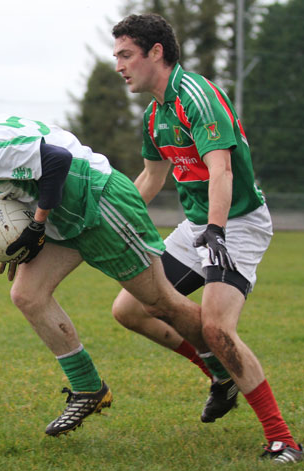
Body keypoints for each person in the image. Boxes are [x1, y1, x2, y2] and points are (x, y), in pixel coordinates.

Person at [0, 85, 223, 438]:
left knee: (160, 303)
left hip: (100, 200)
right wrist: (19, 241)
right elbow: (30, 177)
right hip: (69, 210)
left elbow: (57, 161)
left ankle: (225, 365)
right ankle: (88, 388)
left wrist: (35, 226)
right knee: (27, 295)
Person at [111, 13, 302, 463]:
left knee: (217, 327)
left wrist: (216, 230)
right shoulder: (154, 115)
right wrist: (111, 219)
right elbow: (151, 178)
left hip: (237, 223)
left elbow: (222, 170)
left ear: (155, 52)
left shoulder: (196, 95)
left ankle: (282, 438)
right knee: (130, 309)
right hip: (199, 224)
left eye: (125, 55)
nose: (118, 65)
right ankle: (220, 375)